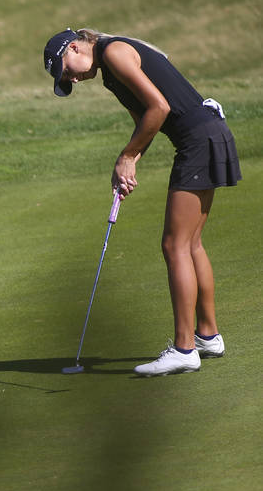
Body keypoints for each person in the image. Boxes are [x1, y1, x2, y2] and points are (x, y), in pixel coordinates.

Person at [43, 28, 241, 376]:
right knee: (190, 243)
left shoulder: (115, 52)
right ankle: (208, 336)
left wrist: (126, 155)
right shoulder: (109, 72)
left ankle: (184, 349)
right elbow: (144, 123)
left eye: (67, 69)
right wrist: (130, 163)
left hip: (198, 139)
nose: (72, 78)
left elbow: (160, 108)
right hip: (208, 133)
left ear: (74, 47)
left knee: (174, 245)